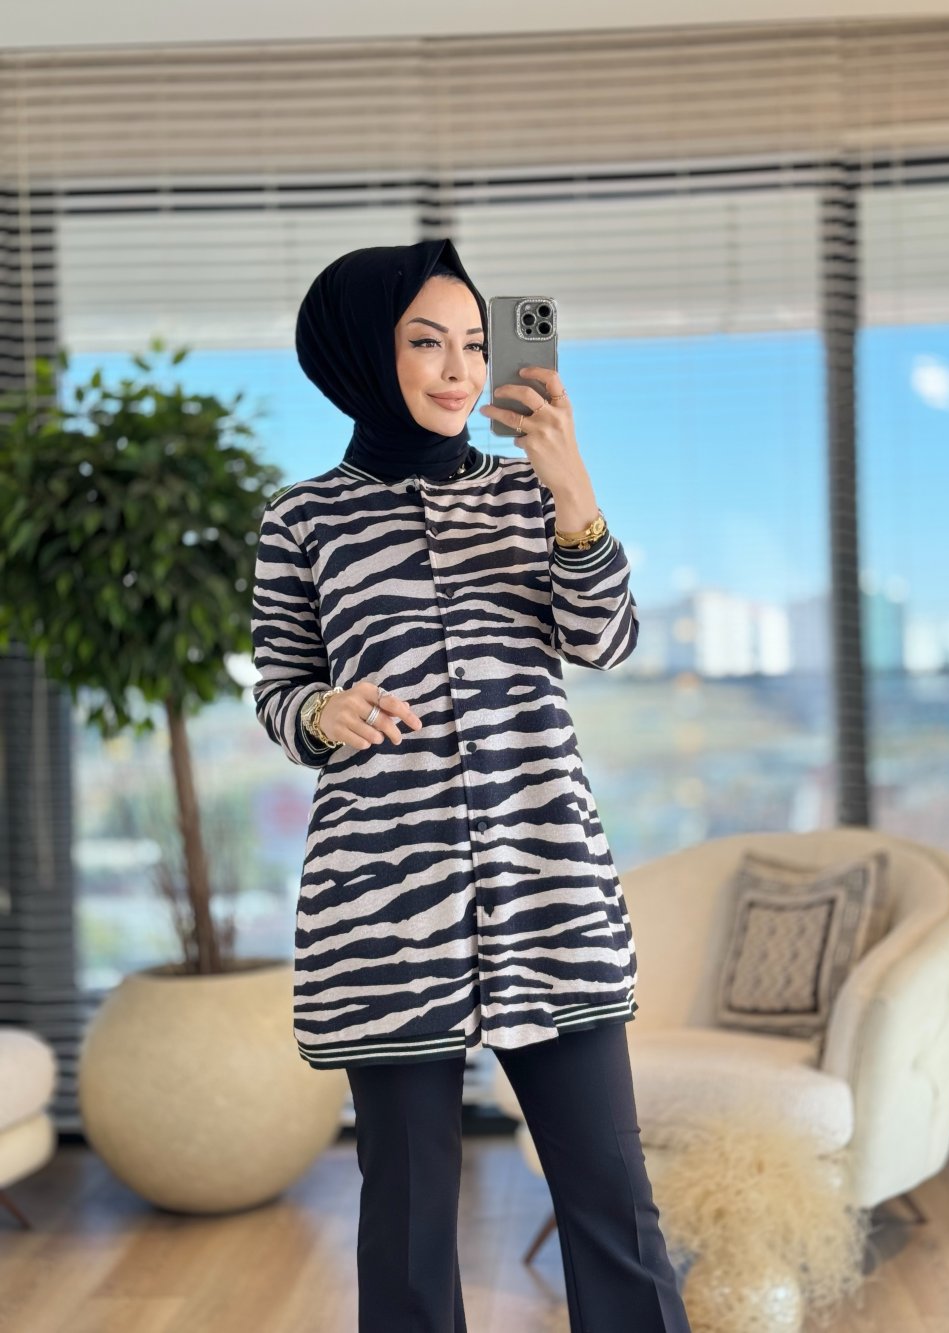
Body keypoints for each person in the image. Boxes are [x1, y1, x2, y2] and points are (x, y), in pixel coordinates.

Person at [251, 238, 692, 1332]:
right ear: (363, 352)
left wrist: (570, 481)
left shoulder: (530, 493)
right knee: (406, 1223)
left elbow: (605, 637)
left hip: (546, 883)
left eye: (474, 345)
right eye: (425, 343)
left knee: (612, 1199)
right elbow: (278, 688)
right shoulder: (302, 519)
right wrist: (322, 712)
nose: (458, 370)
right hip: (384, 902)